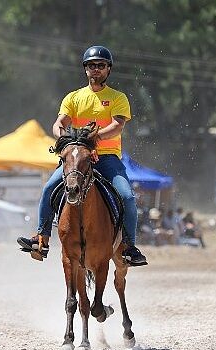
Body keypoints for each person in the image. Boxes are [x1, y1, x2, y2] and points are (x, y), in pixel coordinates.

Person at [17, 45, 147, 266]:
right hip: (76, 158)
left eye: (101, 65)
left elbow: (117, 126)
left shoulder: (117, 98)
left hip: (106, 157)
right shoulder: (74, 98)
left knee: (126, 196)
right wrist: (62, 138)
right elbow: (59, 123)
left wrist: (93, 139)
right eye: (91, 66)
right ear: (85, 69)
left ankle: (129, 247)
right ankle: (42, 238)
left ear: (108, 69)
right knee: (49, 188)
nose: (96, 69)